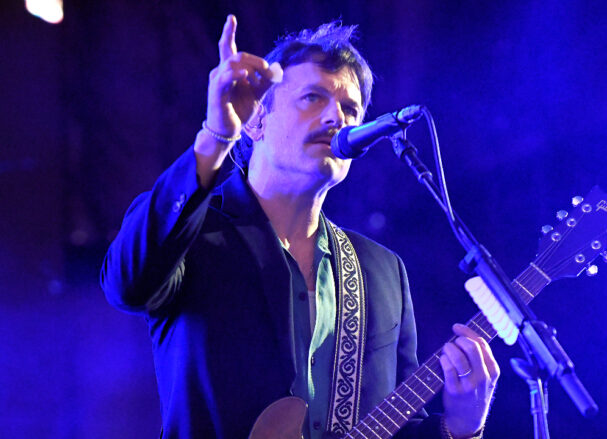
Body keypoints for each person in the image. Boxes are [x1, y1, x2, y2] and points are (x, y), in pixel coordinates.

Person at [101, 15, 499, 439]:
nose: (336, 118)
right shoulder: (191, 232)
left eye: (350, 109)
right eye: (313, 97)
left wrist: (461, 427)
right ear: (255, 119)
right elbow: (127, 286)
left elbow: (397, 427)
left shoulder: (383, 271)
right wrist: (214, 136)